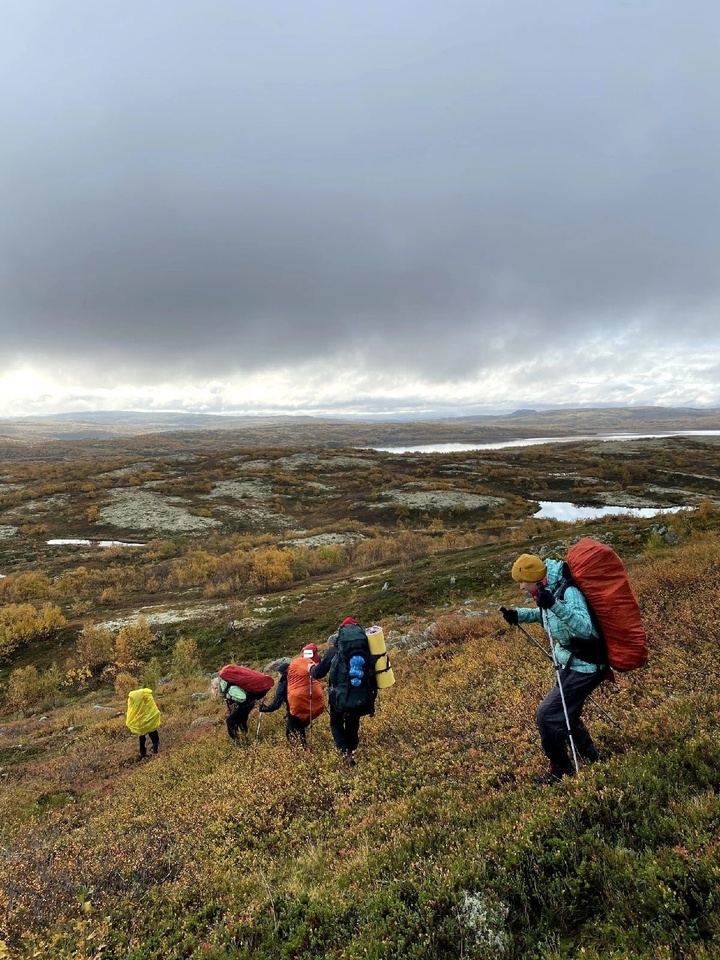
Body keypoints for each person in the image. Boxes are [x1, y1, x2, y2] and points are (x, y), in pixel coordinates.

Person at [500, 553, 607, 785]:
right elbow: (546, 615)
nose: (520, 587)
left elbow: (586, 628)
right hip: (572, 661)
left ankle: (562, 770)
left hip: (586, 664)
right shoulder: (548, 589)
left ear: (535, 578)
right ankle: (590, 754)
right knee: (567, 710)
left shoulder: (568, 592)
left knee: (547, 715)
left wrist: (555, 605)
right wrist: (519, 615)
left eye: (522, 581)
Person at [310, 618, 377, 766]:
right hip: (361, 695)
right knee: (353, 722)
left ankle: (345, 752)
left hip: (339, 697)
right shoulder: (367, 651)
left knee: (335, 723)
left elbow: (318, 673)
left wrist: (311, 669)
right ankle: (352, 749)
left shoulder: (334, 651)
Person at [259, 644, 325, 748]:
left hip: (296, 710)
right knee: (299, 730)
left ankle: (301, 754)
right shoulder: (299, 676)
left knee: (292, 734)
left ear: (282, 673)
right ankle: (303, 750)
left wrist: (264, 709)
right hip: (310, 707)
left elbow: (277, 703)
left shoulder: (284, 682)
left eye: (279, 673)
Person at [218, 675, 264, 741]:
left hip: (246, 704)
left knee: (230, 721)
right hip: (249, 704)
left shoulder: (231, 688)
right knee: (241, 721)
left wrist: (230, 697)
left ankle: (237, 740)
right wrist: (230, 700)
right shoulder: (229, 688)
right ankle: (245, 738)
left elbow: (242, 697)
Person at [125, 687, 161, 760]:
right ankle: (155, 752)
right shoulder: (147, 701)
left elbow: (131, 711)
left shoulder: (135, 705)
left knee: (142, 739)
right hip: (150, 722)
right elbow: (153, 707)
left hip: (140, 723)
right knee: (155, 739)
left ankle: (143, 754)